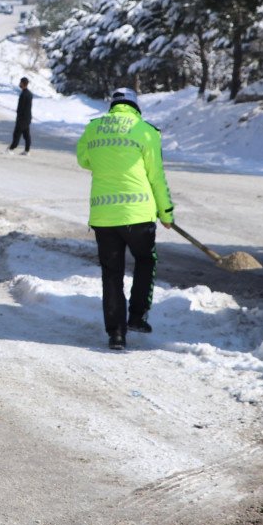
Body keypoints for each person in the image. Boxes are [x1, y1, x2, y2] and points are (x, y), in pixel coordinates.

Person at [75, 87, 174, 351]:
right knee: (145, 260)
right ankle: (138, 317)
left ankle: (116, 335)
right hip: (138, 215)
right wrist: (166, 212)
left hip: (103, 217)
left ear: (112, 106)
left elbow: (84, 159)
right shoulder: (146, 131)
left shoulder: (93, 128)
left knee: (111, 274)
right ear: (135, 107)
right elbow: (156, 177)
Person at [7, 76, 33, 155]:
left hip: (22, 118)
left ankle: (11, 149)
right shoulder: (29, 94)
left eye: (20, 82)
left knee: (17, 134)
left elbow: (21, 108)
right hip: (27, 118)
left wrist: (19, 117)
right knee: (26, 135)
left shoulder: (23, 94)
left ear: (23, 83)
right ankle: (27, 150)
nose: (19, 84)